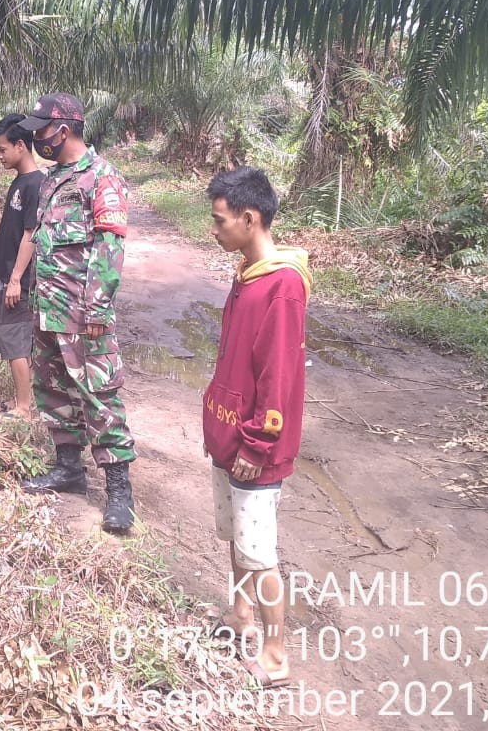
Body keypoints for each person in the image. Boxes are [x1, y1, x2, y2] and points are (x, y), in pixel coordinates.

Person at [201, 166, 312, 689]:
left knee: (259, 551)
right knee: (237, 537)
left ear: (250, 218)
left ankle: (275, 654)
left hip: (254, 446)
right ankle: (240, 613)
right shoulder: (248, 273)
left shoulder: (282, 286)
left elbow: (277, 375)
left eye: (220, 220)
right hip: (230, 434)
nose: (213, 229)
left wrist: (258, 441)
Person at [16, 93, 137, 534]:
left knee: (99, 395)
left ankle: (119, 490)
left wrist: (98, 306)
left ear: (63, 130)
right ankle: (68, 467)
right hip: (48, 310)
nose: (37, 139)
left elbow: (110, 247)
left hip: (84, 313)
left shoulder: (102, 178)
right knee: (53, 390)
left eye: (42, 131)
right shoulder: (52, 180)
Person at [0, 114, 43, 419]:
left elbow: (31, 234)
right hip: (6, 272)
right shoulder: (20, 181)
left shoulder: (35, 184)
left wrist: (17, 278)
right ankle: (21, 399)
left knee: (16, 338)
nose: (0, 155)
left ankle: (23, 408)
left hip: (18, 277)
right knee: (9, 336)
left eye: (2, 149)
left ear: (21, 145)